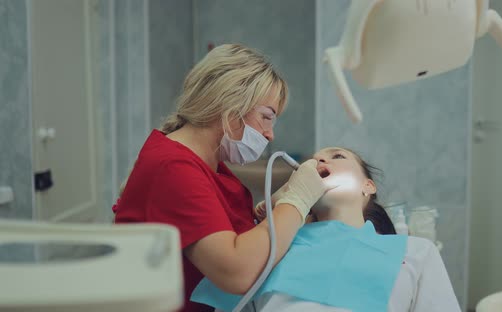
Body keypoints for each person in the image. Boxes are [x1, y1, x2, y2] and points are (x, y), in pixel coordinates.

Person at [112, 44, 331, 312]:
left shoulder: (209, 162)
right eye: (266, 117)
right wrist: (296, 201)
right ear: (229, 104)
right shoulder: (173, 167)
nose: (270, 135)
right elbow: (236, 271)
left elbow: (211, 231)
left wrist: (268, 216)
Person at [192, 147, 461, 312]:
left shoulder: (414, 252)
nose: (318, 163)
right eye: (312, 161)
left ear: (368, 186)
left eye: (337, 156)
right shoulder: (272, 249)